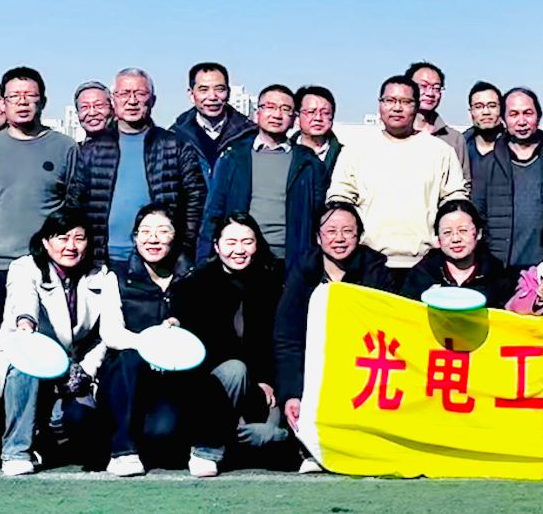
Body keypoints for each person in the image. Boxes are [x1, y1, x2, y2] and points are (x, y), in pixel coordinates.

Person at [0, 210, 124, 475]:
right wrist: (26, 324)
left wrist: (86, 370)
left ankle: (49, 437)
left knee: (83, 423)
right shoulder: (24, 268)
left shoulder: (102, 276)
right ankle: (16, 452)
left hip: (74, 372)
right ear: (45, 242)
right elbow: (24, 301)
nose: (71, 246)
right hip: (30, 358)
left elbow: (106, 334)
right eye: (62, 238)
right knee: (25, 367)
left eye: (79, 238)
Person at [169, 213, 288, 475]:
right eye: (231, 242)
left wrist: (266, 379)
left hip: (259, 386)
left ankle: (236, 439)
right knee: (235, 369)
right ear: (216, 245)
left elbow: (278, 341)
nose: (239, 250)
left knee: (272, 434)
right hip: (212, 384)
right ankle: (207, 450)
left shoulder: (272, 282)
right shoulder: (195, 285)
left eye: (247, 242)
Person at [276, 201, 395, 446]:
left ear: (359, 236)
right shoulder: (303, 273)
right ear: (318, 238)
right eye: (331, 231)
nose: (339, 238)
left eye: (347, 231)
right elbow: (288, 339)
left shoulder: (376, 272)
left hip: (361, 370)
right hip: (314, 370)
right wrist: (292, 394)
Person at [67, 67, 210, 267]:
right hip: (102, 259)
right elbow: (74, 205)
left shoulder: (175, 145)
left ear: (152, 100)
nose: (132, 101)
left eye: (140, 94)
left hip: (160, 259)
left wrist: (184, 248)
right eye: (124, 94)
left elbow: (196, 201)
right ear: (114, 100)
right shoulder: (92, 150)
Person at [328, 75, 469, 277]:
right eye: (390, 100)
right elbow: (340, 199)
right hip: (368, 262)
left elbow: (455, 201)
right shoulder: (356, 149)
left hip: (426, 262)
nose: (397, 108)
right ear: (380, 104)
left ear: (416, 106)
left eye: (405, 102)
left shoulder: (440, 151)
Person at [0, 66, 74, 316]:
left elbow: (73, 207)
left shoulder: (65, 147)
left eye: (30, 95)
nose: (22, 102)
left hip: (44, 262)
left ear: (42, 101)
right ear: (4, 103)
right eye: (14, 96)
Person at [99, 203, 193, 477]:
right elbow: (111, 334)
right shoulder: (116, 276)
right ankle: (123, 451)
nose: (153, 239)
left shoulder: (191, 276)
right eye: (146, 231)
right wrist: (151, 344)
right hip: (125, 375)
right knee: (129, 357)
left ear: (175, 236)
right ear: (135, 237)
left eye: (163, 231)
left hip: (170, 378)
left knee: (161, 432)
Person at [202, 83, 321, 264]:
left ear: (294, 119)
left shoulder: (308, 162)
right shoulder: (233, 157)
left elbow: (318, 215)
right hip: (242, 257)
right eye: (270, 107)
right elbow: (213, 212)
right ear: (257, 113)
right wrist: (203, 261)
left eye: (285, 109)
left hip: (291, 260)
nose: (277, 115)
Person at [475, 87, 543, 272]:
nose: (521, 121)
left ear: (538, 116)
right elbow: (478, 218)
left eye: (528, 113)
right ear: (503, 119)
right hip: (499, 268)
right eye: (513, 114)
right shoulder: (487, 165)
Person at [399, 198, 518, 308]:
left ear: (478, 233)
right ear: (438, 239)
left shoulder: (496, 275)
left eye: (463, 230)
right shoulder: (422, 275)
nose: (455, 239)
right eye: (447, 232)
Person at [172, 61, 255, 174]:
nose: (212, 97)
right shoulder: (175, 137)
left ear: (228, 93)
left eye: (219, 89)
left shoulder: (249, 135)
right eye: (203, 90)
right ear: (191, 95)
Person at [407, 61, 464, 151]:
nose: (430, 93)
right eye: (423, 86)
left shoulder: (454, 139)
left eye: (436, 88)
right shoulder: (394, 132)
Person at [294, 85, 344, 174]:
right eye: (311, 112)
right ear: (297, 117)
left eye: (325, 113)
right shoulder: (284, 153)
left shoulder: (345, 156)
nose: (318, 118)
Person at [462, 82, 504, 185]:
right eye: (478, 107)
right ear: (471, 112)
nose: (486, 112)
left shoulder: (515, 147)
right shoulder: (460, 148)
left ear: (502, 109)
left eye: (492, 106)